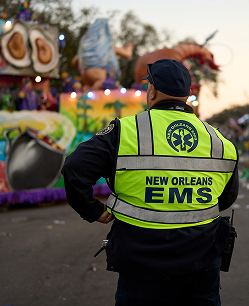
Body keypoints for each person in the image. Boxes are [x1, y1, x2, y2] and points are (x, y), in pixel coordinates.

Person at [61, 59, 239, 306]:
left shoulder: (124, 131)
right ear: (187, 94)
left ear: (152, 90)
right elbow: (226, 199)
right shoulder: (221, 142)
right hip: (202, 262)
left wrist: (94, 210)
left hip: (141, 264)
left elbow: (73, 170)